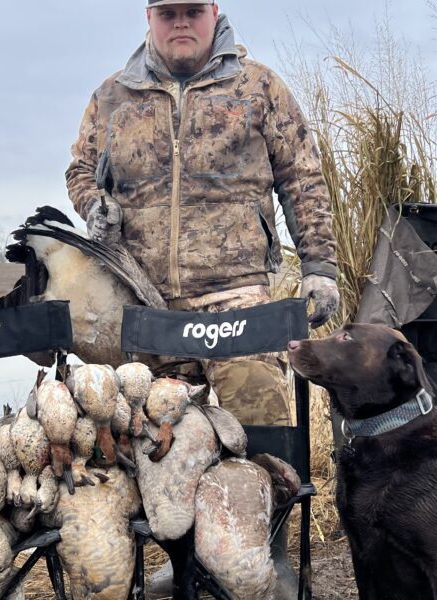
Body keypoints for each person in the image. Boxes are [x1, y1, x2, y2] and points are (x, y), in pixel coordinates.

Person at [66, 2, 338, 596]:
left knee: (262, 432)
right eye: (169, 12)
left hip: (238, 297)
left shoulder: (259, 87)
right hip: (149, 304)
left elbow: (303, 179)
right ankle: (183, 565)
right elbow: (80, 171)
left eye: (193, 10)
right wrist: (93, 206)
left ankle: (268, 561)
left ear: (216, 12)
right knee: (158, 444)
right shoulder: (111, 97)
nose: (180, 23)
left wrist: (319, 266)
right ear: (150, 15)